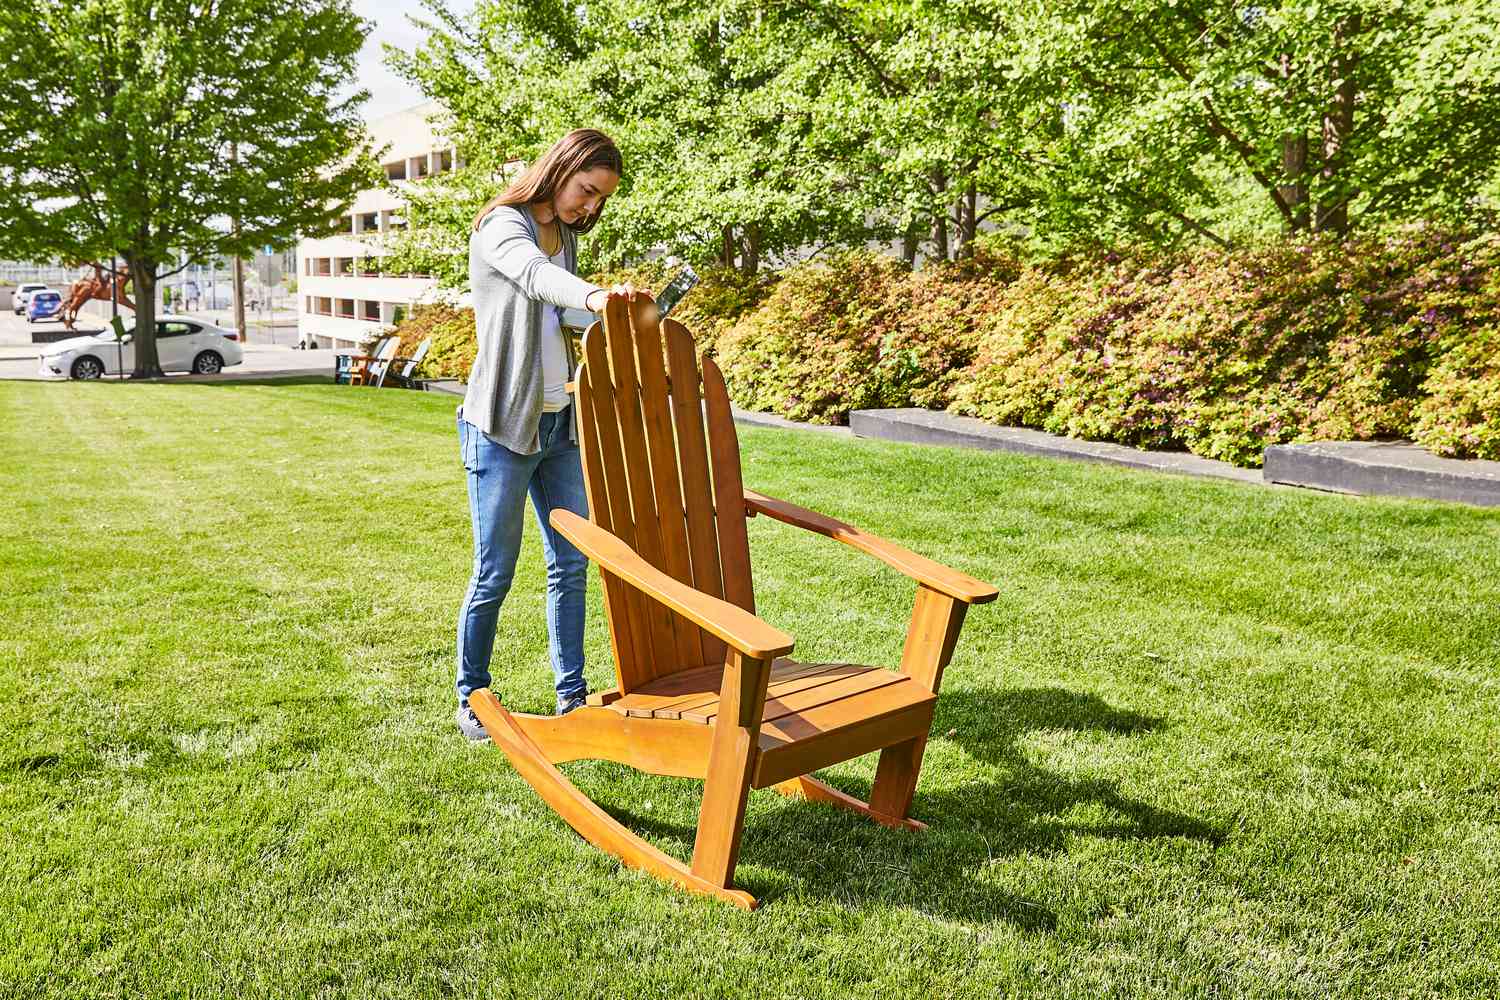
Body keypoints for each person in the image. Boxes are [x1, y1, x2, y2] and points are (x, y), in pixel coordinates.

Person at [453, 128, 640, 740]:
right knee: (495, 571)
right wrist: (592, 292)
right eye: (585, 191)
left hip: (560, 423)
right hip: (503, 425)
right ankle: (471, 696)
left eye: (598, 200)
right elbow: (535, 280)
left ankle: (572, 698)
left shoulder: (565, 237)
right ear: (560, 170)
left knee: (571, 562)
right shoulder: (503, 226)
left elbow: (560, 311)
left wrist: (626, 310)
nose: (589, 207)